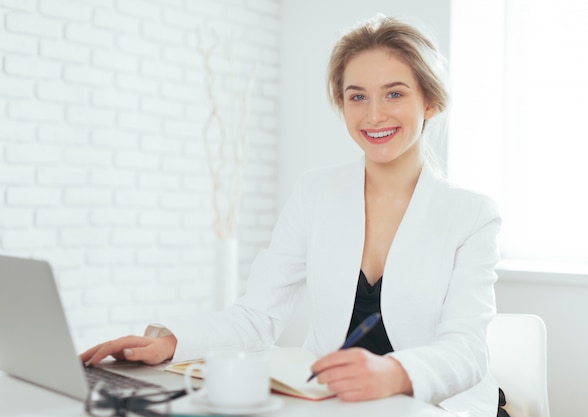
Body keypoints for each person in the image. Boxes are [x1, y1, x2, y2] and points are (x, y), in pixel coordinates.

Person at [81, 15, 503, 416]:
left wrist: (394, 374)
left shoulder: (470, 214)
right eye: (357, 96)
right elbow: (259, 315)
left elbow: (467, 349)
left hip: (437, 407)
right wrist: (173, 343)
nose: (374, 115)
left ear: (429, 102)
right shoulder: (315, 194)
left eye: (394, 93)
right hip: (334, 404)